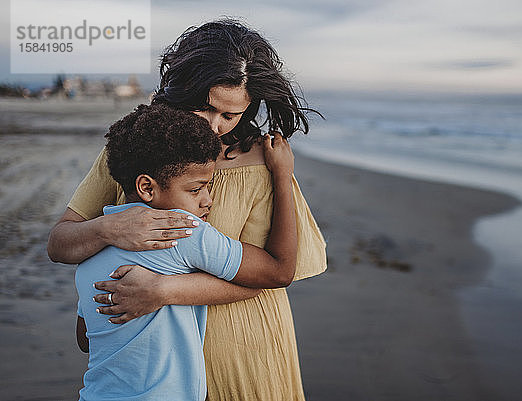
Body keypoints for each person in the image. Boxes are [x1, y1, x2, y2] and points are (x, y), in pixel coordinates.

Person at [48, 19, 327, 401]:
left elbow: (273, 275)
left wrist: (163, 290)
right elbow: (60, 244)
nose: (216, 127)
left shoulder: (265, 163)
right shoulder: (138, 151)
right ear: (182, 90)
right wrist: (108, 229)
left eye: (231, 116)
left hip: (244, 347)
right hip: (151, 361)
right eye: (206, 108)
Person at [76, 103, 296, 400]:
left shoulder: (90, 248)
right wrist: (283, 176)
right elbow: (280, 270)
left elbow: (84, 339)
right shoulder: (182, 230)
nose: (208, 200)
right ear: (147, 188)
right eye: (196, 189)